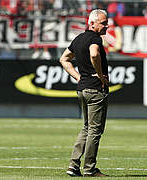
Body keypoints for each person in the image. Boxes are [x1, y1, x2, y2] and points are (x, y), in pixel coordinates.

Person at [59, 9, 109, 177]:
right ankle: (89, 168)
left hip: (83, 89)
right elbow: (94, 54)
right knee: (95, 130)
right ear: (92, 23)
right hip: (95, 89)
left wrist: (78, 77)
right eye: (103, 23)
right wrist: (101, 76)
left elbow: (64, 59)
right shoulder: (95, 39)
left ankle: (73, 165)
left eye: (106, 22)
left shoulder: (79, 38)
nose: (106, 26)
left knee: (87, 128)